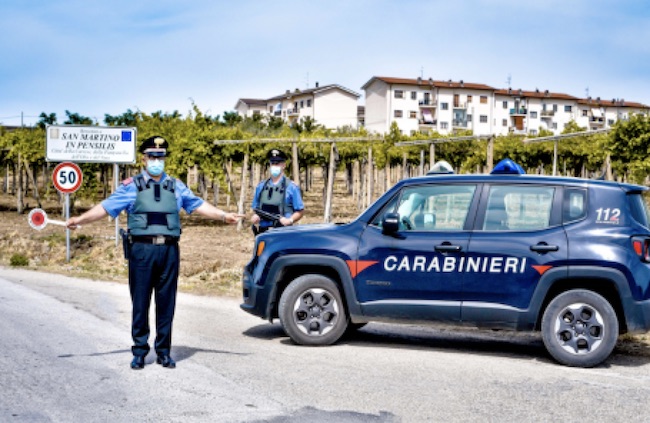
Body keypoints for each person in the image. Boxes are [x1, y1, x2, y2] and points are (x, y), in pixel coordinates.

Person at [66, 135, 244, 370]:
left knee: (166, 303)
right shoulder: (131, 187)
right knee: (140, 303)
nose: (156, 161)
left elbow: (198, 204)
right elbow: (105, 207)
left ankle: (163, 352)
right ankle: (139, 351)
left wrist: (223, 216)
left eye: (160, 157)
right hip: (142, 250)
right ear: (143, 159)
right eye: (152, 157)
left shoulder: (176, 186)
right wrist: (81, 219)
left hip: (169, 250)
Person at [251, 149, 304, 234]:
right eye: (272, 163)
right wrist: (256, 216)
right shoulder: (261, 186)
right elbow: (256, 208)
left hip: (283, 232)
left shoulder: (291, 187)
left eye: (277, 163)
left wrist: (290, 220)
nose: (274, 166)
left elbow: (300, 211)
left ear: (284, 165)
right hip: (264, 232)